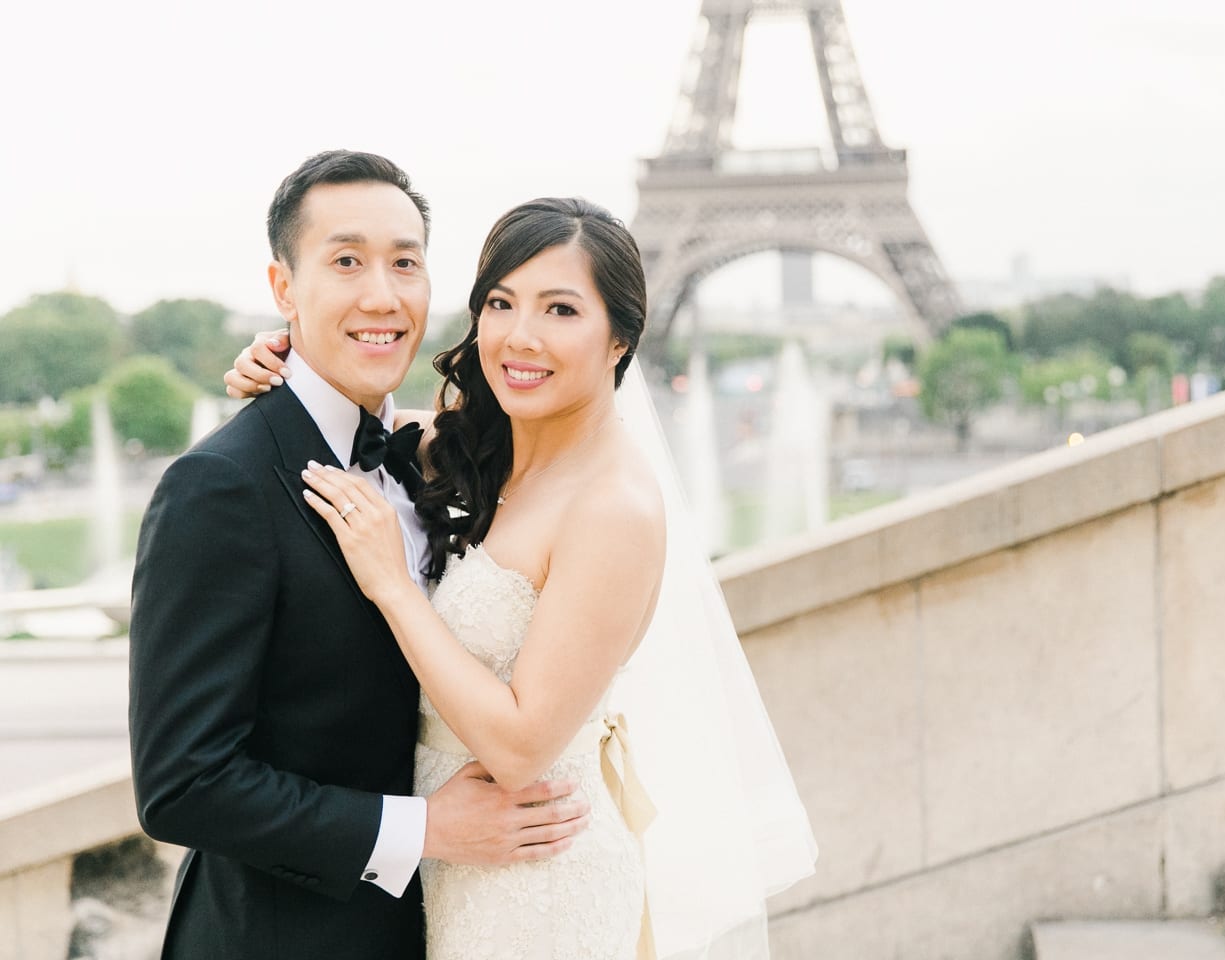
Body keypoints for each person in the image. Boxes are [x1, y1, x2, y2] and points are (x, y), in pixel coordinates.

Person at [228, 196, 817, 958]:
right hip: (450, 867)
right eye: (500, 304)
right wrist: (280, 364)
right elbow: (350, 430)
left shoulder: (616, 507)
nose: (521, 336)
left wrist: (393, 587)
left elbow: (518, 748)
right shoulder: (474, 448)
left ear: (621, 339)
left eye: (561, 309)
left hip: (537, 886)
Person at [129, 151, 591, 960]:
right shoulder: (219, 487)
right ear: (283, 289)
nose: (383, 294)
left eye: (404, 263)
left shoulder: (424, 460)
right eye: (346, 261)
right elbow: (183, 784)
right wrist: (427, 828)